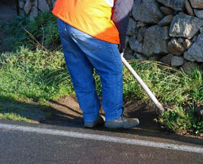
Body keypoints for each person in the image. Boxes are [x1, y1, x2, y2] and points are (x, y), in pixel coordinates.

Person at [52, 0, 139, 129]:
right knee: (111, 69)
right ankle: (114, 117)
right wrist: (119, 45)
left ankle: (90, 117)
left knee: (79, 71)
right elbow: (121, 14)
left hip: (65, 16)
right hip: (89, 19)